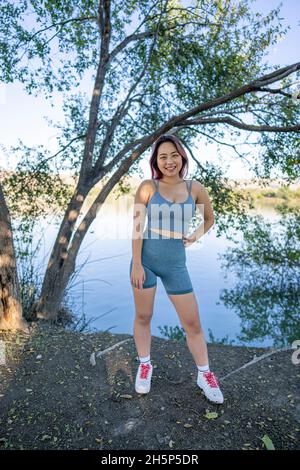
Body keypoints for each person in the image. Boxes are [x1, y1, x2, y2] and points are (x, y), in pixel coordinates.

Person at [129, 134, 224, 404]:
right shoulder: (148, 187)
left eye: (173, 155)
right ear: (156, 161)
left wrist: (194, 236)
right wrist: (137, 263)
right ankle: (145, 364)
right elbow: (137, 229)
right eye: (163, 156)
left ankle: (204, 374)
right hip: (145, 260)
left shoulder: (196, 188)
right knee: (143, 316)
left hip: (175, 264)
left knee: (192, 323)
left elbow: (209, 218)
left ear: (182, 156)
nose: (169, 161)